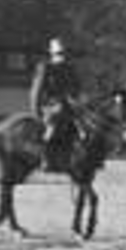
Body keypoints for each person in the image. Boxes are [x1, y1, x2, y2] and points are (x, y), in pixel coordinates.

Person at [29, 37, 82, 170]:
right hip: (49, 106)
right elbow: (36, 91)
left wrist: (75, 99)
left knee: (88, 120)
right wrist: (36, 112)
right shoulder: (45, 67)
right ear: (52, 54)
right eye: (59, 53)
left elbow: (77, 88)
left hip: (69, 104)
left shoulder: (70, 68)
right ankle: (45, 157)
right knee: (57, 118)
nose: (62, 56)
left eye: (64, 53)